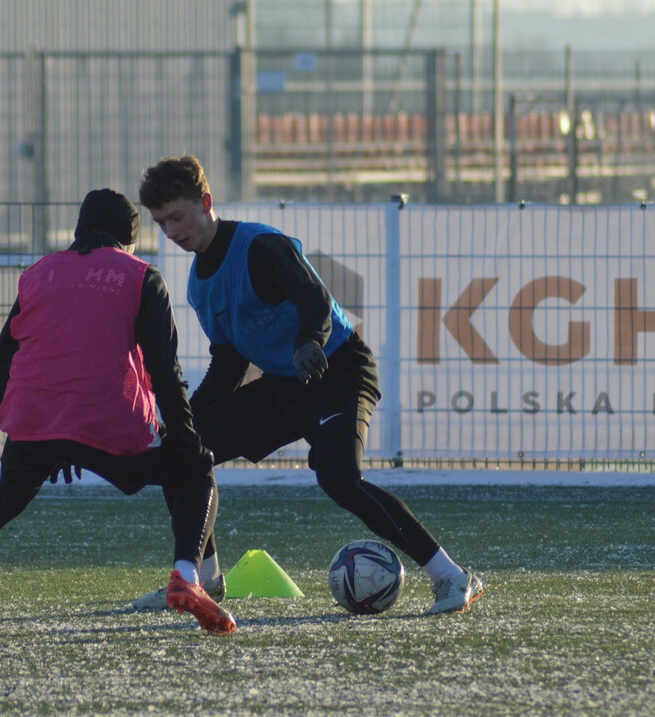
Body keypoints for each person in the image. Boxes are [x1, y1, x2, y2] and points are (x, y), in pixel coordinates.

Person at [128, 155, 483, 616]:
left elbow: (313, 298)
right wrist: (185, 421)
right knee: (184, 454)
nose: (171, 231)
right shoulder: (199, 285)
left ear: (206, 202)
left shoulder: (260, 245)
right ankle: (203, 582)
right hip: (283, 384)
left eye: (177, 216)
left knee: (339, 479)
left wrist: (308, 342)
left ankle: (452, 577)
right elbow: (229, 363)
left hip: (338, 371)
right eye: (161, 222)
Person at [0, 188, 236, 635]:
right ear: (129, 238)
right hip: (110, 422)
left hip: (34, 421)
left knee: (1, 503)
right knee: (195, 469)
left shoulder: (38, 274)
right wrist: (187, 441)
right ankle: (188, 579)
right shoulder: (140, 275)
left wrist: (49, 434)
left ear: (78, 232)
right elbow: (165, 375)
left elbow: (0, 375)